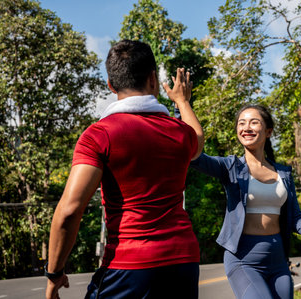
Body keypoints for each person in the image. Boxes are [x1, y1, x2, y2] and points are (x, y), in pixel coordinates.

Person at [45, 39, 204, 299]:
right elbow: (198, 140)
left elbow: (70, 210)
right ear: (153, 79)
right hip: (183, 261)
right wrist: (182, 102)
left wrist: (54, 274)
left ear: (110, 85)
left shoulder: (99, 135)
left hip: (128, 266)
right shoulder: (180, 133)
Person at [188, 104, 301, 299]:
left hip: (278, 260)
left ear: (268, 131)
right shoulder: (230, 167)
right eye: (241, 123)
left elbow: (294, 218)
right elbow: (194, 154)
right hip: (243, 259)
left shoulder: (283, 174)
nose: (246, 127)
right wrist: (182, 104)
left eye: (254, 122)